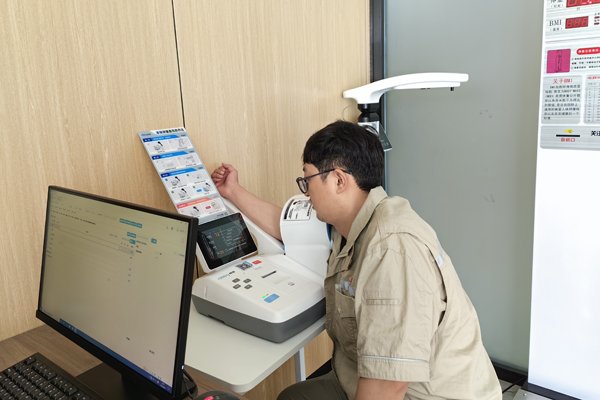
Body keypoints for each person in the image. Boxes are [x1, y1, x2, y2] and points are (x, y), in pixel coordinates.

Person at [211, 120, 501, 400]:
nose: (306, 194)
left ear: (339, 180)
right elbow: (285, 227)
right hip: (355, 376)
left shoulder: (391, 250)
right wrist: (232, 191)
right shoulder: (352, 221)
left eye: (307, 180)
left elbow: (387, 387)